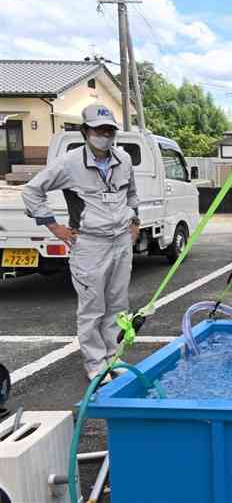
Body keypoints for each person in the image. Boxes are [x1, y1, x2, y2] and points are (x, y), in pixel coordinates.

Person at [22, 104, 139, 385]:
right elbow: (32, 190)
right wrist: (53, 225)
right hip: (89, 244)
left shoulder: (123, 159)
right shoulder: (69, 163)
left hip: (121, 241)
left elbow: (132, 194)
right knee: (92, 307)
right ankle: (96, 364)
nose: (105, 135)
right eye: (99, 130)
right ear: (85, 131)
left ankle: (114, 357)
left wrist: (135, 221)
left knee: (117, 304)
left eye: (109, 130)